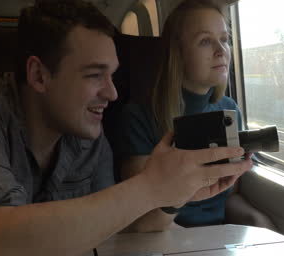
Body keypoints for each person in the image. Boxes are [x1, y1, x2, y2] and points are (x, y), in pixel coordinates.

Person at [0, 0, 252, 256]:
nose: (112, 94)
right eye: (95, 75)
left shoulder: (86, 133)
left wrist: (172, 194)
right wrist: (152, 186)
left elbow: (120, 226)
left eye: (112, 75)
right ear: (39, 75)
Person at [115, 0, 275, 231]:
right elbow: (142, 218)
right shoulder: (138, 118)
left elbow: (228, 196)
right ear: (177, 54)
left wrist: (258, 224)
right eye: (205, 41)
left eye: (224, 39)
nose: (221, 50)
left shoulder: (230, 111)